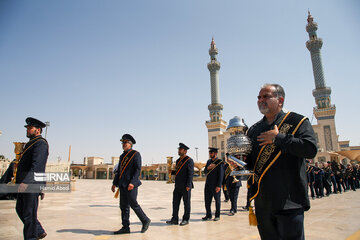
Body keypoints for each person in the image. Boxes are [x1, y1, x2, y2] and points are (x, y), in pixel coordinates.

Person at [245, 84, 317, 240]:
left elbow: (310, 149)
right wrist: (239, 161)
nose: (261, 100)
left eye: (266, 96)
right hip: (263, 203)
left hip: (289, 202)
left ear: (280, 100)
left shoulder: (297, 121)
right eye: (259, 97)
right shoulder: (254, 130)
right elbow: (252, 164)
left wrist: (278, 138)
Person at [16, 117, 49, 239]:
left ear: (38, 130)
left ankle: (31, 237)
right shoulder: (31, 144)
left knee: (29, 214)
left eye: (31, 128)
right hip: (24, 184)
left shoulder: (41, 143)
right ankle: (38, 231)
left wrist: (26, 181)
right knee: (21, 209)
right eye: (28, 128)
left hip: (32, 184)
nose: (28, 130)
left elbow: (37, 165)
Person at [111, 134, 151, 234]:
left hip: (131, 185)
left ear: (130, 144)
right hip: (122, 185)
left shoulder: (135, 154)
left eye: (125, 142)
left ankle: (145, 220)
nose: (123, 144)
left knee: (133, 204)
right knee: (123, 206)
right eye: (122, 143)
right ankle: (125, 227)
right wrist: (114, 183)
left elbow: (138, 170)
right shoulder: (122, 156)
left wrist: (132, 182)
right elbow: (119, 171)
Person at [166, 143, 194, 226]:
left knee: (186, 203)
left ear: (185, 151)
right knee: (175, 203)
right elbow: (178, 172)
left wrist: (188, 185)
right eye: (178, 149)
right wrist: (172, 172)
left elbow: (190, 174)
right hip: (177, 185)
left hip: (186, 186)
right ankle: (174, 219)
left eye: (180, 149)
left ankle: (186, 219)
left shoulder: (189, 160)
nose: (179, 151)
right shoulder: (178, 161)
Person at [202, 147, 224, 221]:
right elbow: (205, 172)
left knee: (217, 201)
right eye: (210, 153)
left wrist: (219, 185)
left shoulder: (219, 162)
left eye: (212, 153)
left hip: (215, 185)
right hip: (208, 184)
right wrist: (208, 168)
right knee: (207, 201)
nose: (210, 154)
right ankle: (208, 215)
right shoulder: (208, 161)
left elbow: (221, 175)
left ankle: (217, 215)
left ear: (215, 153)